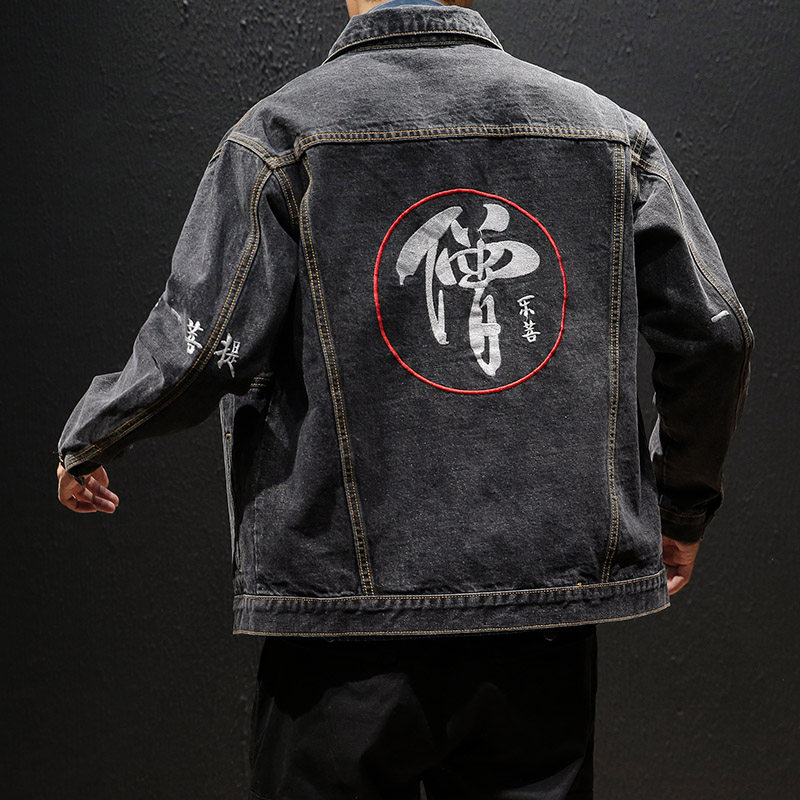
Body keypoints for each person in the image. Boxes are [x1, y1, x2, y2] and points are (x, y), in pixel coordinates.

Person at [55, 0, 754, 797]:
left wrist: (98, 431)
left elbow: (203, 342)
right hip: (541, 623)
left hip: (341, 627)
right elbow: (717, 336)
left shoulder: (282, 134)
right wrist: (681, 505)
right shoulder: (607, 132)